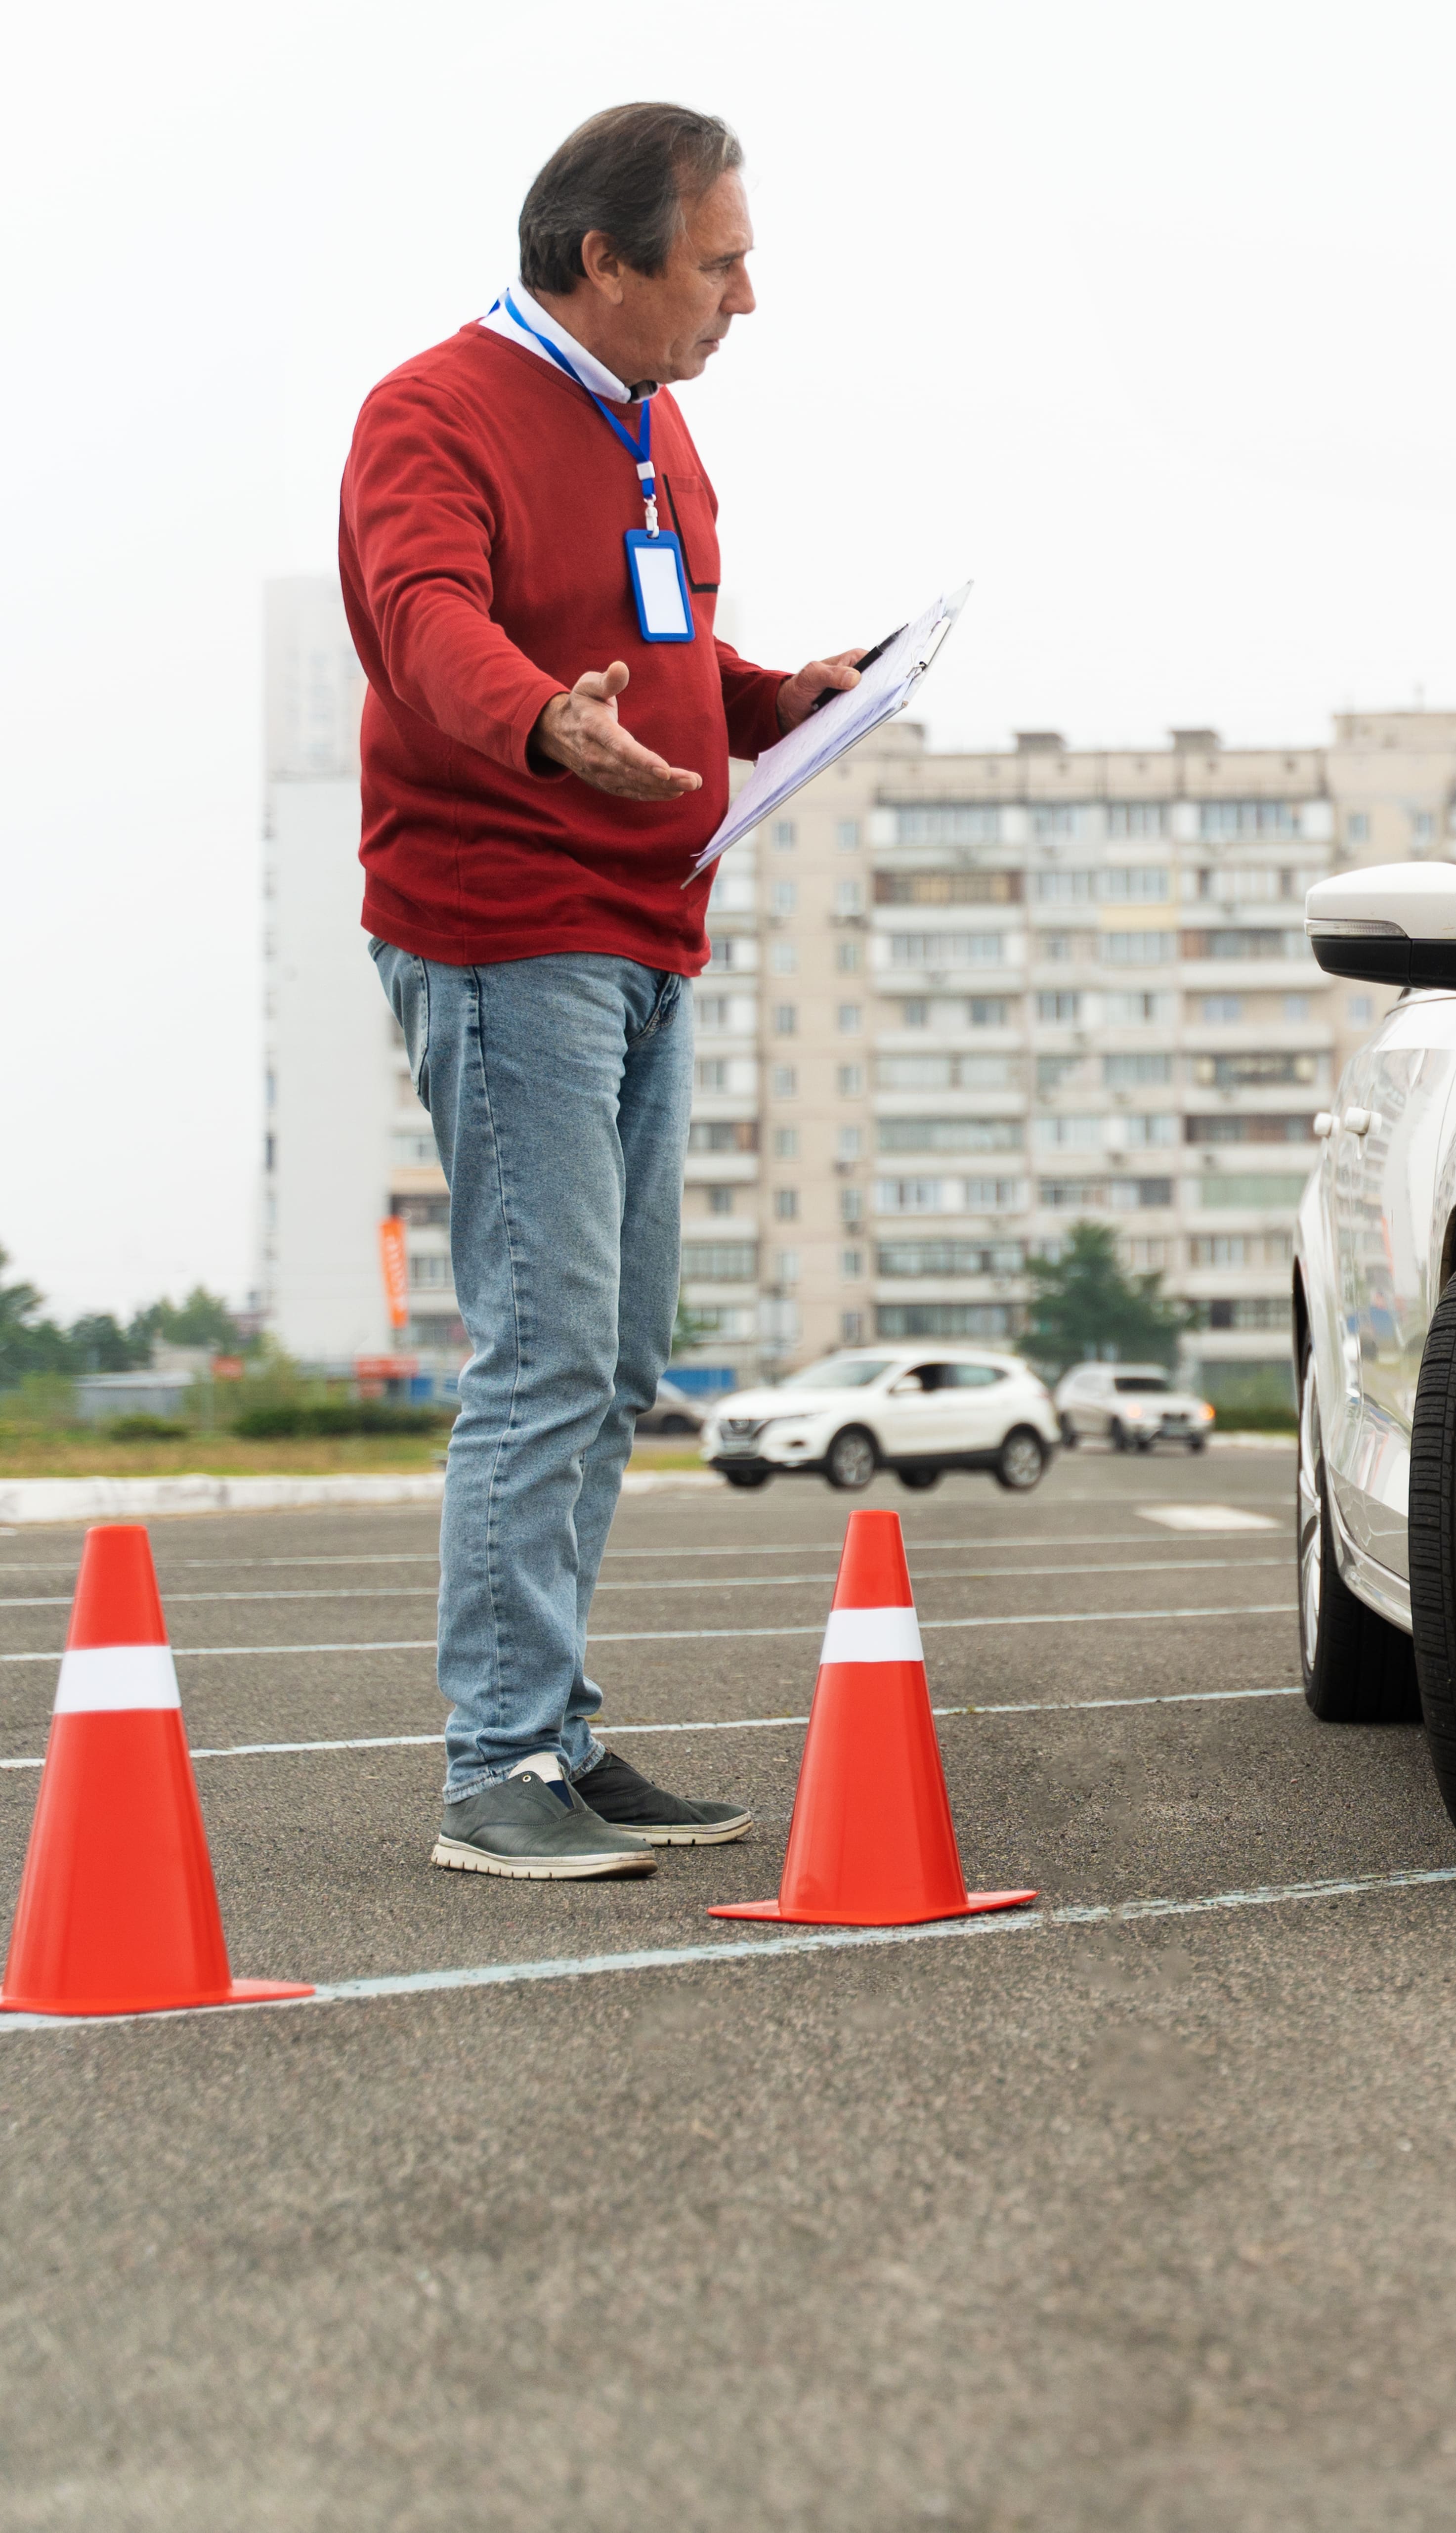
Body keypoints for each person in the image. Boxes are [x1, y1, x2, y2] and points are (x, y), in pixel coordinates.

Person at [340, 103, 868, 1880]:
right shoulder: (433, 412)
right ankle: (494, 1764)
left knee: (623, 1353)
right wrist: (538, 720)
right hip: (507, 925)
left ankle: (555, 1735)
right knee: (546, 1343)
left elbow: (654, 644)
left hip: (652, 927)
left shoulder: (653, 428)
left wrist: (771, 694)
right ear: (602, 264)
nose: (745, 295)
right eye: (714, 261)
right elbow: (428, 624)